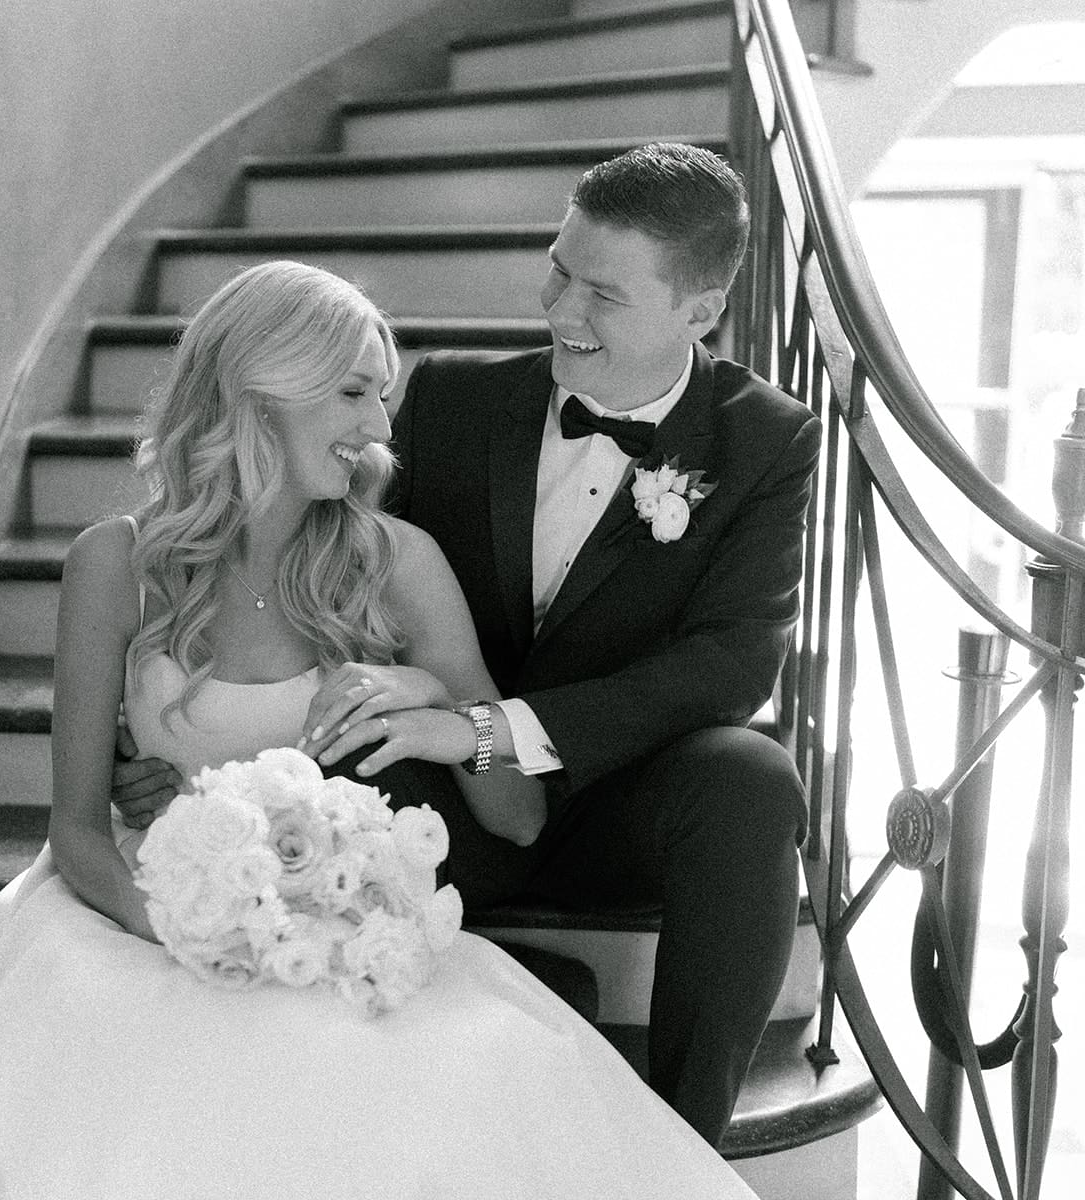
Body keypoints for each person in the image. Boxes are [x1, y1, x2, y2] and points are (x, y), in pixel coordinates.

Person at [0, 260, 755, 1198]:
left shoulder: (399, 563)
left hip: (332, 929)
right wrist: (188, 938)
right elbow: (74, 829)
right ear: (259, 392)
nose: (380, 430)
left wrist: (442, 713)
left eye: (381, 398)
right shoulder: (112, 563)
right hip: (136, 913)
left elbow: (517, 819)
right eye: (351, 394)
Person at [309, 143, 822, 1146]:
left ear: (700, 312)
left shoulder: (765, 439)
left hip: (623, 799)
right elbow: (352, 586)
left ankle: (682, 1153)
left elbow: (731, 664)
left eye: (602, 294)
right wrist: (431, 702)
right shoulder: (451, 398)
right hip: (443, 802)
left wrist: (500, 732)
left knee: (752, 780)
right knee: (341, 763)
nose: (559, 310)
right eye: (557, 267)